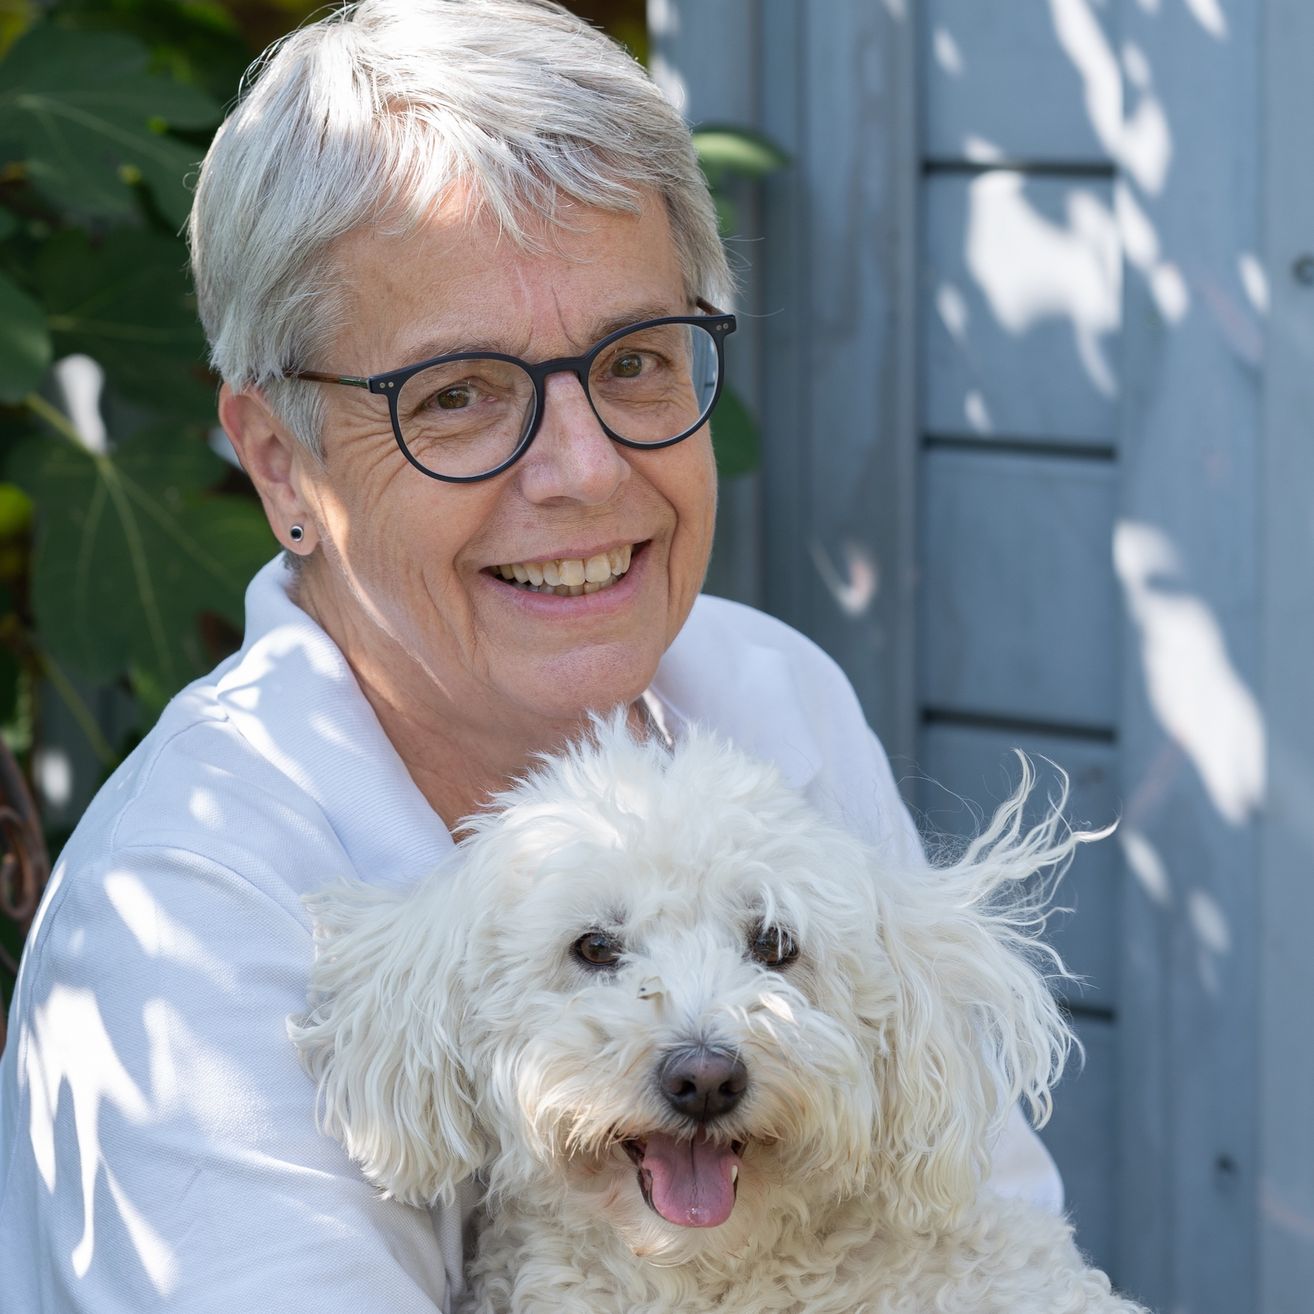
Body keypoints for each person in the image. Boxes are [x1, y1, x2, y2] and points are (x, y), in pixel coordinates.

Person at [0, 2, 1061, 1308]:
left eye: (633, 361)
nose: (586, 469)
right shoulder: (187, 915)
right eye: (455, 393)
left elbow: (979, 1220)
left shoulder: (764, 694)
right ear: (280, 458)